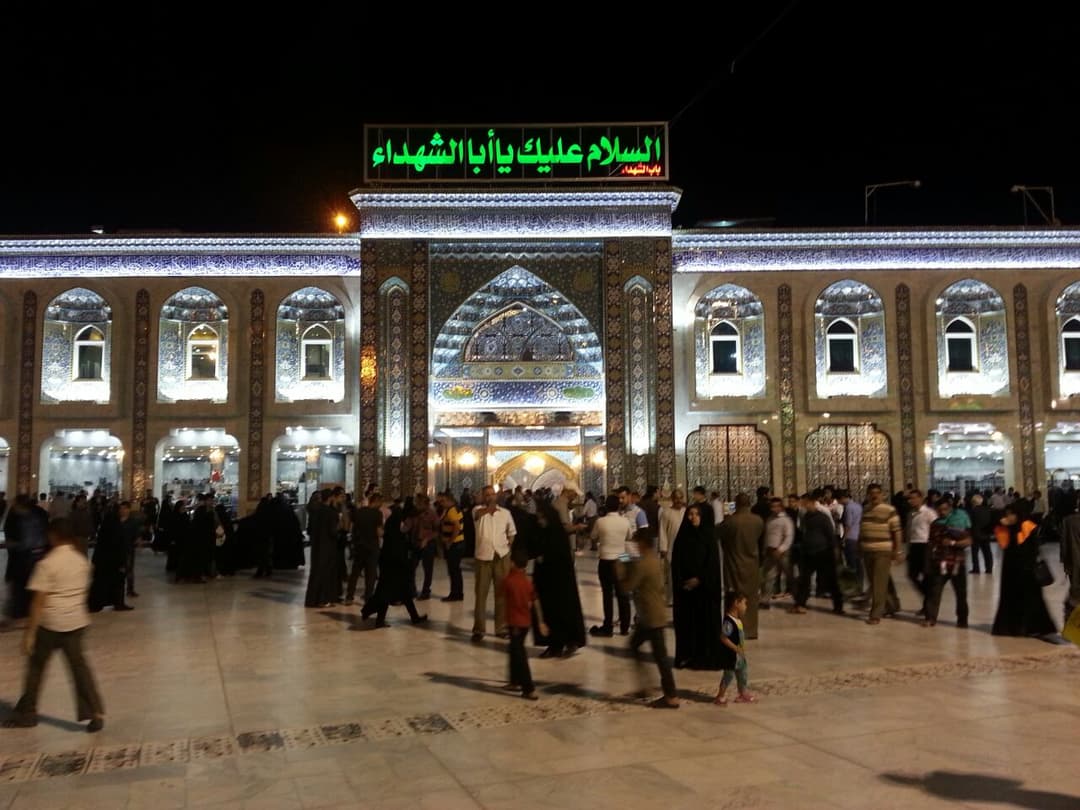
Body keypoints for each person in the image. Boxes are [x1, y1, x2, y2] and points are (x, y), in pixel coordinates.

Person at [4, 517, 105, 732]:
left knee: (36, 668)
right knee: (80, 669)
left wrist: (29, 634)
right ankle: (95, 712)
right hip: (76, 622)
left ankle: (27, 712)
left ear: (53, 535)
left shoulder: (47, 564)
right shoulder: (82, 562)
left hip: (50, 624)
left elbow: (39, 601)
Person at [619, 529, 679, 709]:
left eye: (637, 543)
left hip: (652, 617)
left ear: (642, 544)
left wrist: (619, 565)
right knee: (637, 647)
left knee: (660, 657)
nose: (635, 546)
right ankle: (645, 687)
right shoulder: (653, 561)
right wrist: (624, 558)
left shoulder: (643, 563)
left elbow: (627, 586)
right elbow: (635, 566)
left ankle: (671, 696)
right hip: (651, 615)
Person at [991, 502, 1058, 637]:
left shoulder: (1028, 526)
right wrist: (1003, 522)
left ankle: (1032, 627)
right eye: (1008, 514)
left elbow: (1032, 548)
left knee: (1031, 600)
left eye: (1012, 514)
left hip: (1027, 571)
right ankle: (1013, 628)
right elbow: (991, 522)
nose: (1009, 516)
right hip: (1011, 571)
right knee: (1011, 599)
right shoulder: (1008, 528)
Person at [670, 503, 723, 669]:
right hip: (685, 591)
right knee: (687, 624)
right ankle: (686, 656)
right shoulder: (683, 536)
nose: (692, 517)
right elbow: (676, 561)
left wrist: (699, 579)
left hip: (704, 591)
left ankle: (705, 657)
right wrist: (681, 582)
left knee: (704, 624)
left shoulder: (709, 537)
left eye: (696, 514)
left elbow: (712, 564)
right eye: (690, 514)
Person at [530, 501, 587, 657]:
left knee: (564, 611)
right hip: (546, 582)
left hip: (561, 582)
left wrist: (545, 558)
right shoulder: (542, 533)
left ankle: (570, 641)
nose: (540, 521)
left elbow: (561, 559)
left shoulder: (558, 535)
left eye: (542, 518)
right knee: (548, 613)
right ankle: (554, 644)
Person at [360, 501, 428, 628]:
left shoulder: (397, 526)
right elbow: (397, 548)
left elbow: (403, 545)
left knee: (401, 593)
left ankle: (412, 617)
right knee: (386, 593)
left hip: (394, 565)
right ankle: (369, 611)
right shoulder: (396, 527)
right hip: (392, 565)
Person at [471, 485, 517, 642]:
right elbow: (478, 514)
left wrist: (507, 548)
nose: (490, 497)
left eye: (492, 494)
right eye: (487, 495)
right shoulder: (477, 511)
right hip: (483, 557)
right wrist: (489, 508)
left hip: (501, 557)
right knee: (481, 595)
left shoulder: (505, 513)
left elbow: (512, 533)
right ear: (483, 497)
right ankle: (479, 629)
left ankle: (501, 628)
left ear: (496, 496)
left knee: (501, 594)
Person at [501, 544, 546, 700]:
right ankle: (514, 681)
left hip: (515, 623)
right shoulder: (528, 582)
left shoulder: (509, 581)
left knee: (519, 654)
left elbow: (502, 598)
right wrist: (541, 622)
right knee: (514, 651)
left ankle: (528, 688)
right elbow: (535, 601)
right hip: (526, 622)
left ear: (512, 563)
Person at [788, 492, 844, 615]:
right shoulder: (806, 517)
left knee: (831, 580)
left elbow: (830, 534)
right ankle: (800, 604)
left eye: (805, 503)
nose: (804, 506)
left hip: (823, 553)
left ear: (812, 503)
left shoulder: (822, 517)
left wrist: (835, 550)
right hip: (809, 553)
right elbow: (803, 531)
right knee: (804, 579)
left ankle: (838, 606)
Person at [718, 492, 764, 639]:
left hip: (734, 565)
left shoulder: (731, 522)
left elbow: (717, 533)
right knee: (751, 599)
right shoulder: (758, 521)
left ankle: (733, 631)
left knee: (734, 598)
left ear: (736, 503)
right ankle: (750, 631)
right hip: (752, 565)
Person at [589, 494, 633, 637]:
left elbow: (593, 537)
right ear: (618, 506)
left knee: (607, 595)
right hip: (622, 556)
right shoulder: (625, 521)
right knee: (623, 594)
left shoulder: (600, 521)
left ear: (606, 506)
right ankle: (625, 627)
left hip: (606, 558)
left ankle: (608, 627)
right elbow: (629, 537)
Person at [923, 497, 971, 628]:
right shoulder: (935, 524)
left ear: (950, 509)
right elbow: (931, 542)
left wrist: (953, 543)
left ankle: (962, 620)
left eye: (945, 509)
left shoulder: (957, 524)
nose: (942, 512)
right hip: (940, 563)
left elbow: (968, 541)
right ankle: (930, 618)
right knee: (934, 591)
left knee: (961, 593)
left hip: (956, 563)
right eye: (940, 510)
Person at [860, 483, 903, 625]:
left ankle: (876, 613)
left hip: (883, 550)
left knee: (878, 582)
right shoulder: (865, 509)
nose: (874, 495)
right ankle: (893, 605)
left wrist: (898, 550)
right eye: (871, 493)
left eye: (877, 492)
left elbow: (896, 531)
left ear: (882, 494)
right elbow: (863, 528)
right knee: (876, 581)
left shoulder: (889, 510)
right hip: (867, 550)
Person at [88, 503, 134, 612]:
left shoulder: (107, 525)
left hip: (103, 560)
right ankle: (118, 603)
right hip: (114, 561)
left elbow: (101, 544)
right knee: (117, 582)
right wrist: (122, 561)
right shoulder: (116, 525)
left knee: (101, 582)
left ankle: (96, 604)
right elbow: (118, 545)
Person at [714, 591, 757, 705]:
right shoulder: (728, 622)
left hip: (740, 655)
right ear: (736, 603)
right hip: (731, 656)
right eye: (744, 603)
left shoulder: (738, 620)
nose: (745, 607)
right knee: (728, 675)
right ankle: (720, 695)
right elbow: (723, 638)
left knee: (743, 674)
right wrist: (735, 648)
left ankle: (742, 693)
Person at [303, 490, 340, 608]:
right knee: (325, 573)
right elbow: (333, 531)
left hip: (317, 545)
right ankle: (323, 599)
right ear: (330, 498)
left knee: (316, 573)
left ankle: (312, 600)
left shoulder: (316, 511)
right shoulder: (330, 512)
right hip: (327, 546)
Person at [346, 492, 383, 605]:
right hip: (372, 547)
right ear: (375, 501)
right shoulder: (377, 513)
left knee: (355, 573)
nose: (381, 504)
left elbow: (350, 527)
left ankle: (349, 597)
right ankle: (368, 597)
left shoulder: (359, 512)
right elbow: (379, 532)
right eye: (380, 502)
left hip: (359, 546)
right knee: (371, 573)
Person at [760, 497, 795, 609]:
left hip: (782, 552)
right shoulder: (770, 519)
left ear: (781, 507)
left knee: (789, 576)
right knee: (768, 576)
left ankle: (799, 599)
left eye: (776, 506)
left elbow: (789, 536)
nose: (773, 508)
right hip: (770, 551)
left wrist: (781, 549)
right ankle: (765, 600)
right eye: (772, 506)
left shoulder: (786, 520)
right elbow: (767, 535)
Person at [657, 489, 687, 606]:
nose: (678, 500)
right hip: (671, 548)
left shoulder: (686, 512)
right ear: (672, 499)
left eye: (680, 497)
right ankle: (671, 599)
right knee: (671, 575)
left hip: (685, 549)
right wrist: (663, 547)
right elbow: (662, 531)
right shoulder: (666, 512)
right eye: (676, 498)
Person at [438, 492, 466, 601]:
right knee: (455, 570)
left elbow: (457, 527)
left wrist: (450, 541)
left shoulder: (452, 511)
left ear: (450, 500)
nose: (441, 503)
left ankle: (455, 594)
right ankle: (458, 593)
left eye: (443, 501)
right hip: (458, 543)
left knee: (454, 570)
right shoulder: (453, 509)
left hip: (455, 544)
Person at [968, 493, 995, 575]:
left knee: (975, 552)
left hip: (975, 534)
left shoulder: (973, 511)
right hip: (986, 533)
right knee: (987, 551)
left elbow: (970, 523)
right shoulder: (987, 510)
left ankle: (976, 569)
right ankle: (989, 568)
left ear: (973, 502)